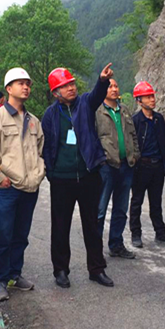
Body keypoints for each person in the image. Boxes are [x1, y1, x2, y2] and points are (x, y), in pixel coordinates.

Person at [41, 63, 115, 288]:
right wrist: (51, 172)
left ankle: (97, 269)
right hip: (61, 179)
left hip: (88, 175)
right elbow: (47, 146)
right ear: (56, 92)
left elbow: (97, 95)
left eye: (72, 83)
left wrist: (102, 81)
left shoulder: (84, 104)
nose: (71, 88)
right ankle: (61, 270)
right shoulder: (50, 115)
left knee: (92, 225)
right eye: (65, 86)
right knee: (60, 226)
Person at [0, 68, 45, 302]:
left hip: (30, 188)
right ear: (9, 88)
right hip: (7, 188)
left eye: (28, 83)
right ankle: (0, 279)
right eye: (20, 83)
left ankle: (15, 274)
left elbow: (40, 151)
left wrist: (39, 173)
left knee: (21, 235)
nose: (26, 87)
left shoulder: (34, 121)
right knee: (3, 235)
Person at [95, 78, 140, 258]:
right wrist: (100, 160)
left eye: (115, 86)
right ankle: (95, 248)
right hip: (106, 167)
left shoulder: (125, 110)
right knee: (100, 209)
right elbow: (92, 137)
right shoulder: (97, 111)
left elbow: (133, 135)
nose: (114, 89)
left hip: (126, 166)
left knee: (121, 208)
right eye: (109, 86)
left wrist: (135, 155)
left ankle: (116, 244)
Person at [129, 81, 165, 247]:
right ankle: (136, 234)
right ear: (139, 100)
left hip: (157, 166)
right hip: (141, 167)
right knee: (137, 201)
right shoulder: (135, 120)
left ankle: (160, 233)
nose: (152, 99)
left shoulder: (158, 119)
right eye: (147, 97)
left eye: (152, 96)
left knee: (156, 202)